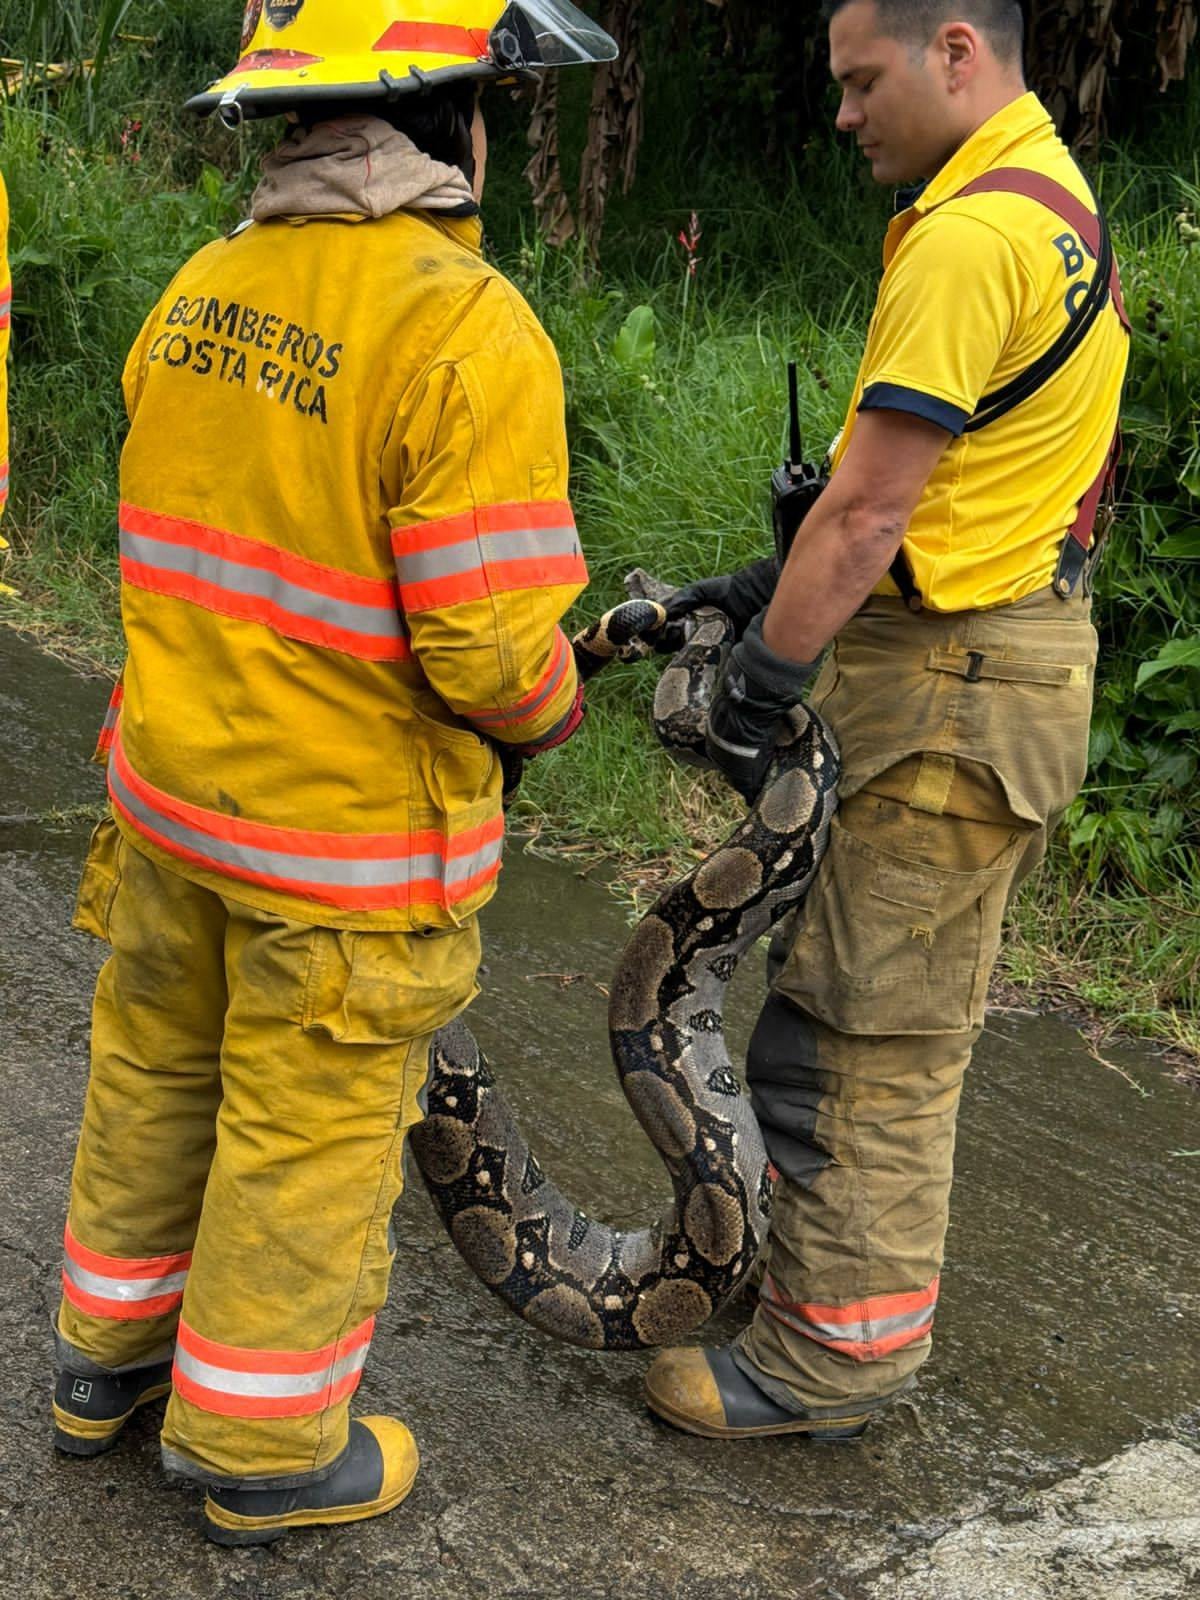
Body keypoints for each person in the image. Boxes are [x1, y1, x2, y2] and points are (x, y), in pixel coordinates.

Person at [51, 0, 616, 1546]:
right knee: (306, 1126)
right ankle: (261, 1449)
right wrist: (560, 718)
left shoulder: (198, 291)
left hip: (168, 804)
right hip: (341, 855)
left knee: (157, 1076)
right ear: (458, 120)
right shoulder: (463, 326)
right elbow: (494, 650)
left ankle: (103, 1367)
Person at [645, 0, 1130, 1440]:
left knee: (873, 1040)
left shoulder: (971, 236)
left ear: (958, 50)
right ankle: (815, 1299)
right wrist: (761, 581)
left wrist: (761, 678)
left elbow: (870, 512)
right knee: (847, 1016)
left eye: (863, 81)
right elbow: (966, 487)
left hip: (956, 690)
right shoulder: (1053, 206)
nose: (846, 112)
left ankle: (829, 1367)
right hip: (985, 657)